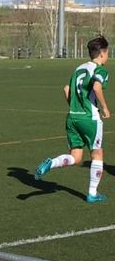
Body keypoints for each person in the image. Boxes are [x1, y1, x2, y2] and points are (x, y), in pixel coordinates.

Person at [35, 36, 111, 203]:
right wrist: (105, 108)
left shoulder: (79, 68)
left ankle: (51, 163)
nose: (108, 56)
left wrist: (75, 106)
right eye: (108, 52)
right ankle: (92, 193)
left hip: (72, 118)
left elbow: (66, 88)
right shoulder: (100, 70)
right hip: (90, 118)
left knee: (76, 157)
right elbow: (97, 87)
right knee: (97, 154)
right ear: (102, 53)